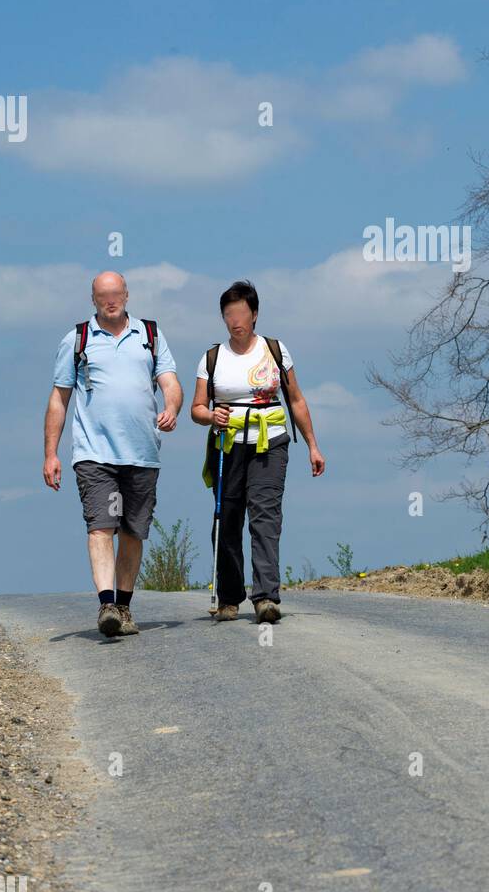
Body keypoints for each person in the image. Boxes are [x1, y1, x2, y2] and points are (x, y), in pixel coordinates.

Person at [43, 271, 182, 638]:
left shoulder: (150, 335)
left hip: (142, 454)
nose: (110, 301)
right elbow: (60, 399)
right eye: (103, 296)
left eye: (116, 294)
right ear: (93, 299)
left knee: (133, 533)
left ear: (126, 295)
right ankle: (106, 604)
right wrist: (51, 453)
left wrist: (171, 407)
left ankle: (124, 606)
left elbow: (170, 382)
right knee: (101, 526)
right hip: (94, 453)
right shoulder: (77, 339)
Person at [191, 280, 324, 624]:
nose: (235, 320)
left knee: (265, 516)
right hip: (228, 445)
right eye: (228, 314)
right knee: (228, 518)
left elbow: (296, 399)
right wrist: (211, 415)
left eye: (241, 313)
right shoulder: (212, 359)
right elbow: (197, 409)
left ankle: (266, 596)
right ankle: (230, 596)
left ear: (254, 315)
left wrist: (312, 445)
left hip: (272, 443)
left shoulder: (276, 350)